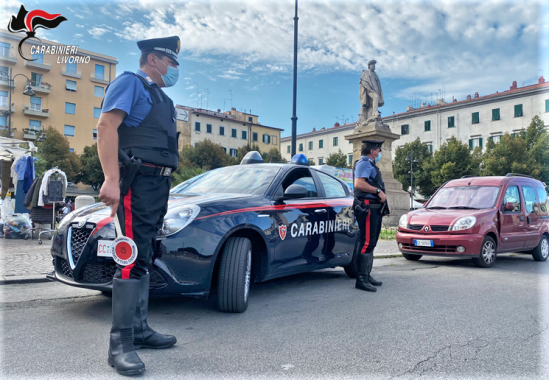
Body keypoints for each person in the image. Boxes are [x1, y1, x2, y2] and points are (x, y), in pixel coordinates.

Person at [97, 36, 181, 376]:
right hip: (137, 183)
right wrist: (111, 180)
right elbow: (106, 126)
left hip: (158, 185)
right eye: (171, 61)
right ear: (152, 59)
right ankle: (120, 344)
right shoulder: (131, 83)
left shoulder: (162, 97)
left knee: (145, 256)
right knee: (129, 257)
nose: (174, 68)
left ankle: (141, 330)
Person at [352, 139, 390, 292]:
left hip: (374, 207)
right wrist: (378, 192)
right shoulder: (364, 163)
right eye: (379, 151)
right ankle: (361, 279)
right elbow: (359, 184)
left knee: (371, 242)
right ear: (373, 151)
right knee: (367, 242)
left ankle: (366, 275)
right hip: (367, 207)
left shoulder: (370, 164)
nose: (380, 153)